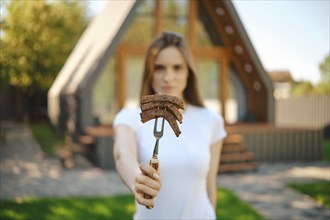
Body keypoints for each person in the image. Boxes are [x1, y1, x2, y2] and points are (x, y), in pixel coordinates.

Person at [113, 31, 226, 219]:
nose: (168, 77)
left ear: (188, 71)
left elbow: (209, 185)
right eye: (159, 68)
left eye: (177, 68)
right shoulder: (130, 117)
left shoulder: (211, 120)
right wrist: (137, 181)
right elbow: (122, 155)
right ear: (150, 72)